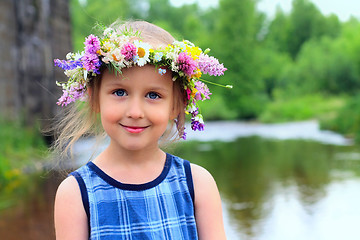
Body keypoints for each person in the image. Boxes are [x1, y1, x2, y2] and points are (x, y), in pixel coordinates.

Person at [53, 20, 228, 240]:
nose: (135, 112)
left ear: (175, 105)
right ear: (94, 97)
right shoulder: (76, 194)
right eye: (119, 92)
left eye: (153, 95)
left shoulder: (197, 185)